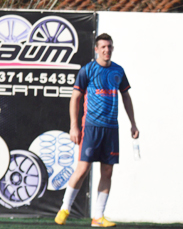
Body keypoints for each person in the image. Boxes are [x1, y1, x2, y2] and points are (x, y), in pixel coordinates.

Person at [55, 33, 139, 228]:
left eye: (109, 47)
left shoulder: (118, 71)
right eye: (102, 47)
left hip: (111, 129)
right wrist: (74, 126)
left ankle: (98, 217)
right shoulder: (88, 70)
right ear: (96, 49)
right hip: (91, 127)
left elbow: (126, 97)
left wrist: (133, 123)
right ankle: (65, 208)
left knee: (107, 171)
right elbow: (75, 98)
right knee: (83, 168)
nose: (106, 50)